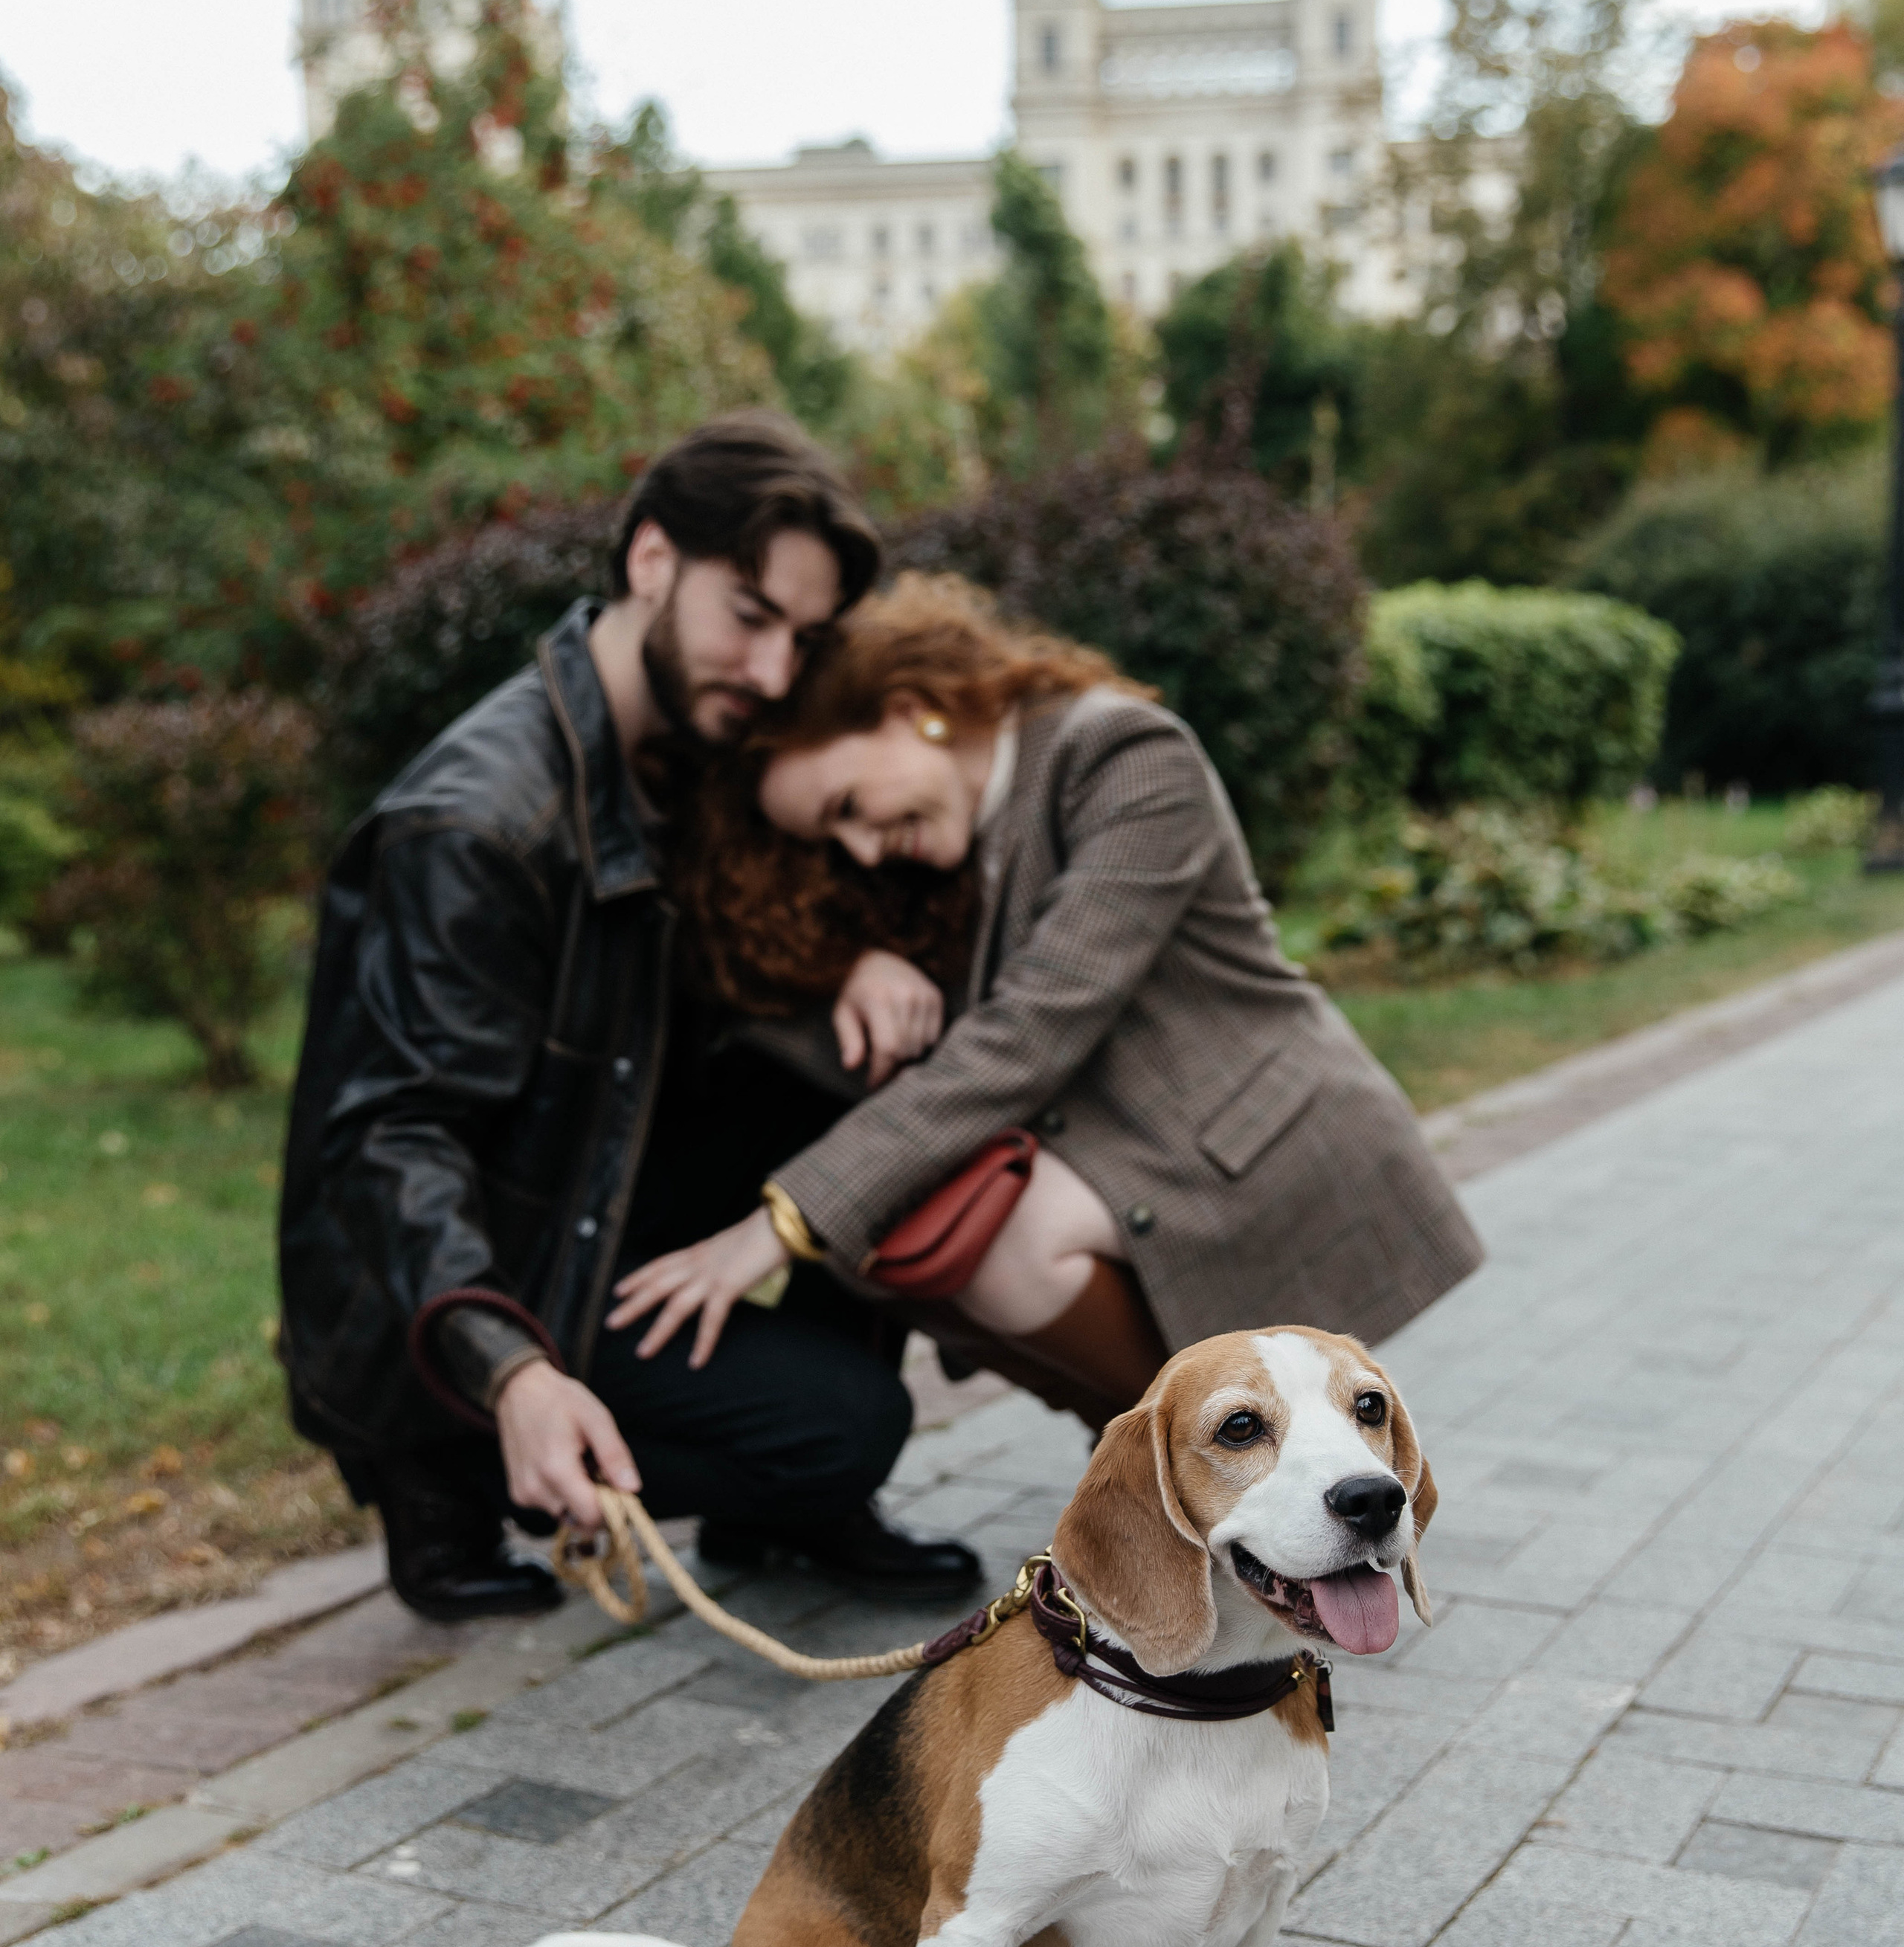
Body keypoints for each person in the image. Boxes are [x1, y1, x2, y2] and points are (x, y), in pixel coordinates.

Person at [277, 419, 983, 1623]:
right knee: (848, 1430)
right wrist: (510, 1374)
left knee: (867, 1086)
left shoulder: (689, 744)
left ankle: (778, 1512)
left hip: (601, 1197)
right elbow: (390, 1142)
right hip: (486, 1281)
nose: (772, 673)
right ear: (651, 560)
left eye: (800, 639)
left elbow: (763, 927)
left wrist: (854, 958)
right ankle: (453, 1464)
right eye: (749, 616)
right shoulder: (478, 823)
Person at [609, 578, 1485, 1425]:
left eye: (849, 807)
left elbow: (1029, 1031)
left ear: (914, 707)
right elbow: (770, 1003)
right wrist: (853, 966)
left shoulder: (1125, 758)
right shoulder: (946, 840)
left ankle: (1219, 1464)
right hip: (1117, 1140)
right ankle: (1172, 1472)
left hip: (1249, 1135)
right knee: (896, 1243)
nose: (863, 853)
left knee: (998, 1243)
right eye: (834, 841)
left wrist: (781, 1224)